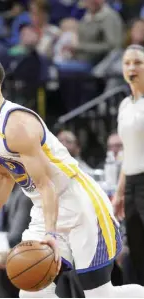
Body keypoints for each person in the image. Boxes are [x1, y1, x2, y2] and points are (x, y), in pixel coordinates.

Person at [0, 54, 144, 298]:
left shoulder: (17, 125)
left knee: (100, 295)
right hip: (45, 207)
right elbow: (4, 176)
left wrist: (50, 234)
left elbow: (47, 185)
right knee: (32, 293)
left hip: (79, 203)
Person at [113, 44, 144, 286]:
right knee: (136, 251)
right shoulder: (125, 105)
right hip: (132, 184)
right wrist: (120, 192)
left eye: (137, 62)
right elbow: (127, 150)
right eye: (127, 63)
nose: (131, 67)